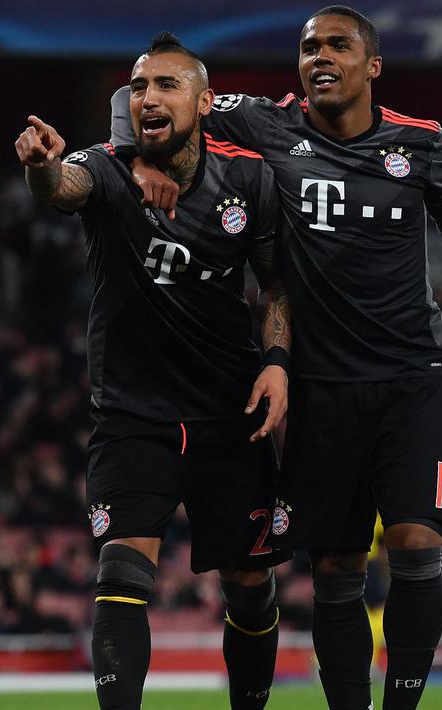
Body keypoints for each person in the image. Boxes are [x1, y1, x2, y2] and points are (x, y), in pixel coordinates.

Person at [110, 6, 442, 709]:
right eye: (309, 46)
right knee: (336, 566)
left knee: (414, 543)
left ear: (372, 66)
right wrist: (132, 158)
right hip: (317, 386)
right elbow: (151, 96)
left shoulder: (422, 143)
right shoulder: (265, 123)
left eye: (338, 45)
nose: (320, 57)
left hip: (411, 378)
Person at [15, 33, 293, 710]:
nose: (148, 97)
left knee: (250, 588)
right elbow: (62, 188)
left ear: (203, 102)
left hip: (230, 415)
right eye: (138, 87)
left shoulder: (249, 177)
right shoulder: (106, 167)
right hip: (133, 415)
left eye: (166, 86)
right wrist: (42, 168)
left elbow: (277, 286)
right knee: (120, 573)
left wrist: (279, 363)